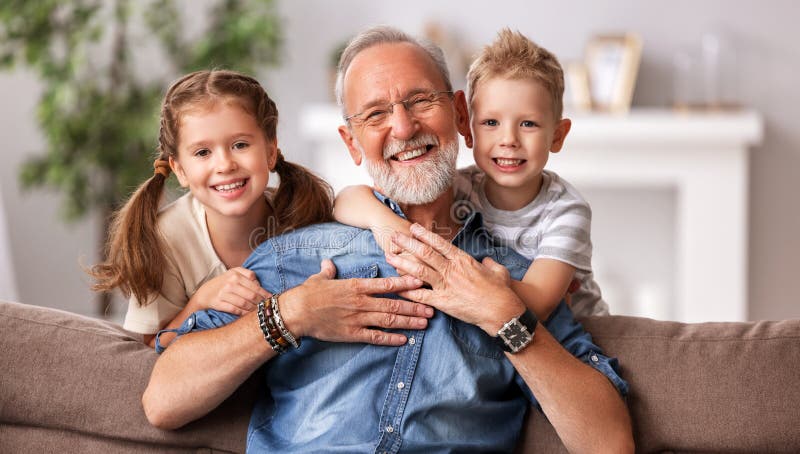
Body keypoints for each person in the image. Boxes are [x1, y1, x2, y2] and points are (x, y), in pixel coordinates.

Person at [143, 27, 634, 453]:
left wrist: (503, 316)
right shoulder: (294, 253)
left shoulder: (514, 275)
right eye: (375, 114)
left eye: (421, 101)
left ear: (460, 114)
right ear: (351, 143)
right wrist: (291, 314)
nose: (403, 126)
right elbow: (163, 401)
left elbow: (610, 443)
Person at [90, 70, 428, 349]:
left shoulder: (298, 209)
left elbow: (348, 200)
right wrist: (202, 301)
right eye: (202, 153)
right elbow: (149, 348)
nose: (224, 164)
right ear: (179, 168)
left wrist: (383, 221)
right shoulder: (167, 237)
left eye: (240, 145)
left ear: (270, 150)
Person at [333, 28, 607, 321]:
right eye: (491, 122)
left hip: (585, 333)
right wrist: (384, 223)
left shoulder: (565, 212)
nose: (509, 140)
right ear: (469, 125)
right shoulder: (463, 186)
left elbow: (537, 306)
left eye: (528, 124)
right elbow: (346, 200)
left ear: (557, 136)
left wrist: (451, 278)